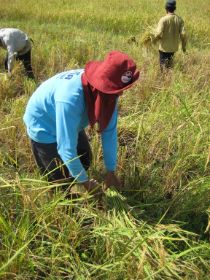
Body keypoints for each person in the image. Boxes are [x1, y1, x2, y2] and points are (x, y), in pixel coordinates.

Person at [23, 50, 139, 195]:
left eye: (120, 90)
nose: (120, 94)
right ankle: (66, 198)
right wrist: (86, 182)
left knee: (84, 158)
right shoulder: (70, 100)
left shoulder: (109, 92)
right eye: (117, 91)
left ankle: (76, 178)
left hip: (68, 118)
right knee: (59, 178)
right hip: (43, 124)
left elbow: (109, 132)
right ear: (103, 85)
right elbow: (66, 148)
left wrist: (111, 171)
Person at [153, 0, 187, 71]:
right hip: (173, 48)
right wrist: (183, 47)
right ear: (174, 9)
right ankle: (169, 79)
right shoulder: (179, 20)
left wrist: (154, 39)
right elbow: (183, 34)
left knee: (163, 68)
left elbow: (158, 33)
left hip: (164, 48)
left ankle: (164, 80)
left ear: (166, 9)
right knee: (170, 66)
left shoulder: (163, 19)